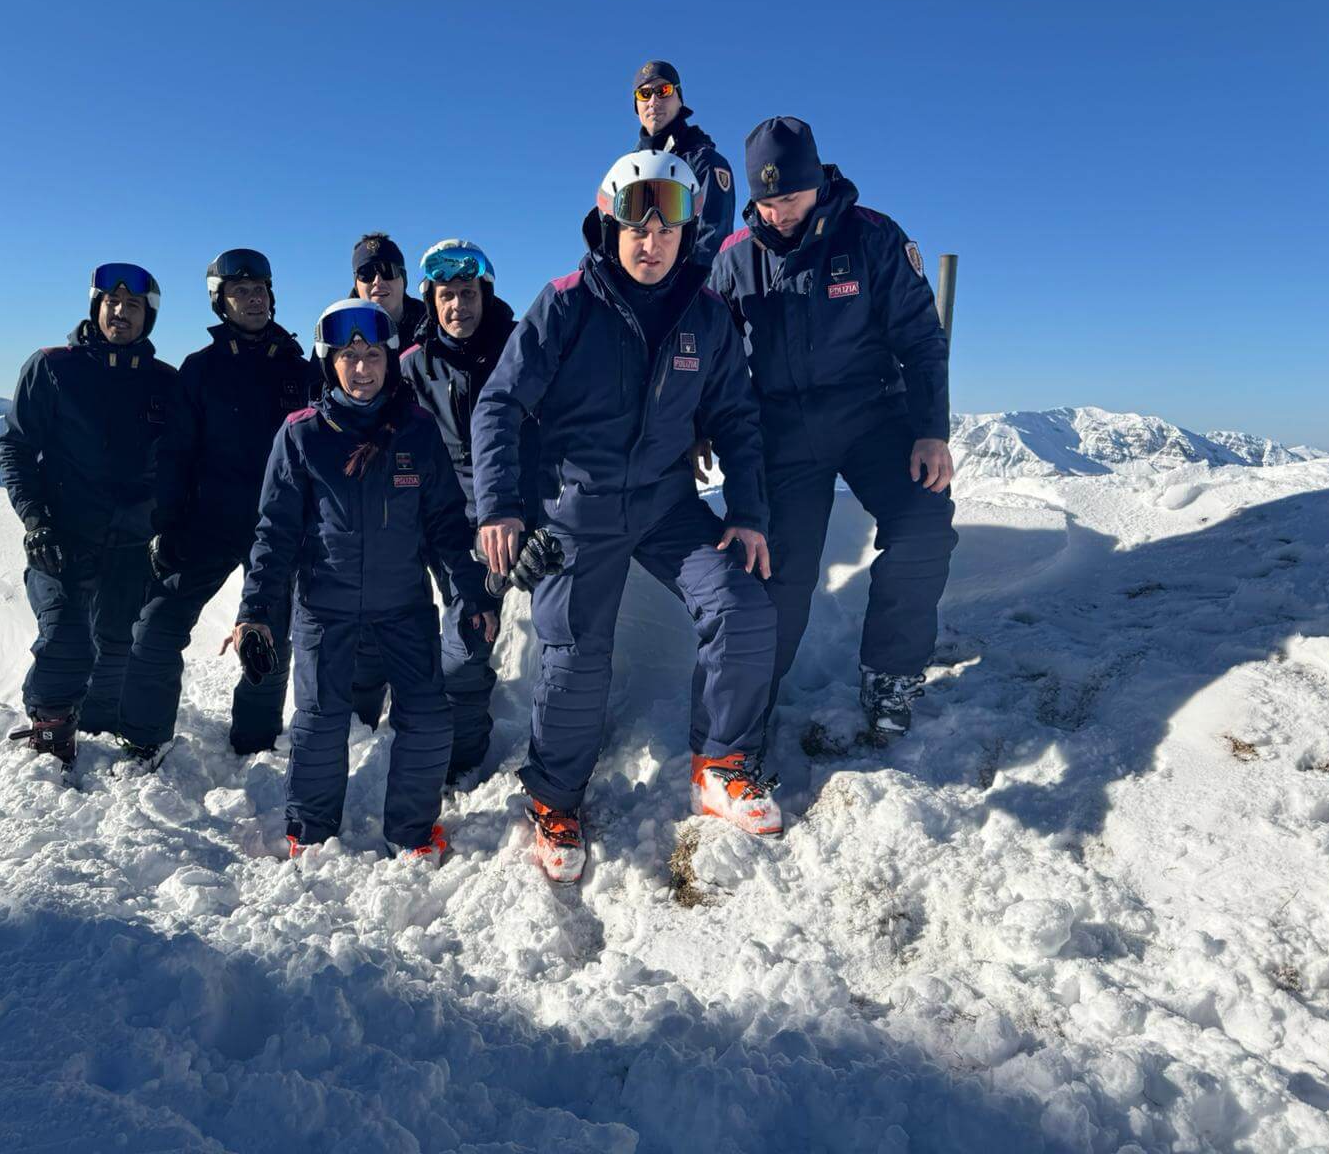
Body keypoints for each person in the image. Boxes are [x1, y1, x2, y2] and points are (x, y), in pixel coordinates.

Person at [472, 151, 780, 885]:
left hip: (667, 505)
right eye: (636, 224)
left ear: (686, 230)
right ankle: (553, 799)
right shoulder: (569, 303)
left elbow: (735, 417)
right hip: (576, 509)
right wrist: (500, 508)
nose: (652, 240)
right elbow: (499, 405)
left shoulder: (705, 316)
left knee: (741, 605)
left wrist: (748, 512)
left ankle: (721, 765)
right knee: (576, 658)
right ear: (610, 222)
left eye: (667, 224)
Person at [705, 116, 958, 738]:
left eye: (788, 197)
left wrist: (931, 431)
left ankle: (891, 675)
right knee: (777, 568)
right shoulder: (736, 259)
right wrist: (697, 425)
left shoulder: (872, 237)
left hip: (874, 416)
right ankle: (751, 705)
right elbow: (710, 357)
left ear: (816, 179)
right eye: (764, 201)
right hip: (783, 431)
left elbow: (923, 341)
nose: (778, 213)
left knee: (924, 522)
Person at [231, 300, 494, 861]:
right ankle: (310, 832)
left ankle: (412, 833)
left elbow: (447, 525)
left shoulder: (417, 432)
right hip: (324, 608)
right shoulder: (301, 436)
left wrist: (469, 595)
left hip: (403, 607)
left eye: (373, 354)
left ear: (390, 359)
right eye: (348, 356)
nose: (362, 368)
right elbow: (274, 533)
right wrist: (254, 611)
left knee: (426, 718)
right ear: (329, 363)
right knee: (320, 724)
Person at [114, 249, 319, 761]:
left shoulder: (298, 371)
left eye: (260, 290)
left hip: (276, 527)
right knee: (157, 626)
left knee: (270, 637)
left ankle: (254, 742)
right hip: (205, 523)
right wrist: (167, 524)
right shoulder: (200, 370)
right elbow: (175, 453)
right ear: (219, 303)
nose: (253, 299)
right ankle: (143, 739)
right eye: (239, 291)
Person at [0, 263, 177, 767]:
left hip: (133, 540)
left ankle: (97, 721)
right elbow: (15, 447)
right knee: (65, 634)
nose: (120, 312)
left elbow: (178, 464)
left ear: (149, 317)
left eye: (134, 305)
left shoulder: (164, 383)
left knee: (118, 644)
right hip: (63, 534)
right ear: (95, 306)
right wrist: (37, 521)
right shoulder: (53, 367)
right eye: (111, 302)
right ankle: (51, 729)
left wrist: (169, 526)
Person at [398, 239, 538, 791]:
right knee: (466, 632)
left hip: (522, 515)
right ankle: (462, 754)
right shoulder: (412, 366)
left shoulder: (522, 348)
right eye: (447, 295)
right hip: (452, 524)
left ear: (487, 293)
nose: (459, 306)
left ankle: (489, 749)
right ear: (430, 300)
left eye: (469, 293)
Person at [347, 231, 427, 727]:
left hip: (435, 484)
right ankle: (362, 716)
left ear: (402, 277)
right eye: (367, 273)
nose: (379, 281)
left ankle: (423, 706)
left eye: (388, 271)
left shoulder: (437, 321)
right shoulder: (343, 330)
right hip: (372, 492)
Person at [631, 60, 735, 270]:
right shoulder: (629, 171)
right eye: (644, 94)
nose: (653, 101)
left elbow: (712, 239)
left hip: (685, 293)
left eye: (663, 90)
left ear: (679, 99)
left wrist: (676, 291)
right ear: (636, 106)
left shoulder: (704, 163)